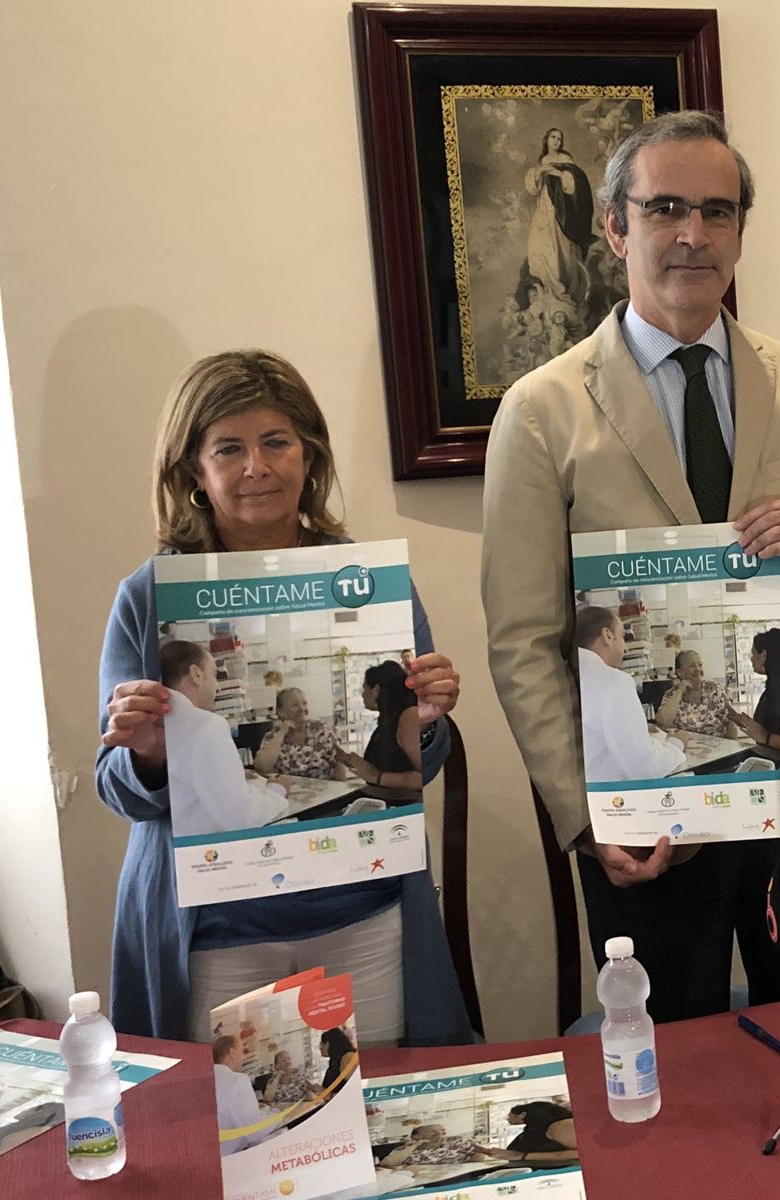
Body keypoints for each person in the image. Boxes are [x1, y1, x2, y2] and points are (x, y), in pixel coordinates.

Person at [482, 110, 780, 1022]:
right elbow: (522, 642)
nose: (692, 234)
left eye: (718, 211)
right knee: (671, 1063)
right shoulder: (542, 410)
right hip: (645, 809)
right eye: (665, 207)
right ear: (615, 226)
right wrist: (584, 815)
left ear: (741, 231)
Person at [96, 349, 471, 1047]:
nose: (256, 467)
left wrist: (424, 720)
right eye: (228, 449)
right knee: (234, 1111)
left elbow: (420, 761)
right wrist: (147, 756)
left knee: (376, 1099)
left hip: (363, 910)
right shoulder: (148, 597)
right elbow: (117, 790)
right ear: (194, 471)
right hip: (219, 927)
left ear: (309, 455)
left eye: (276, 442)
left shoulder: (368, 581)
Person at [159, 639, 289, 836]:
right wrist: (277, 791)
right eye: (214, 675)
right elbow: (243, 817)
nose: (218, 688)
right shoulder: (206, 725)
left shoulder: (163, 720)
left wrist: (231, 775)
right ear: (196, 674)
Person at [576, 606, 688, 781]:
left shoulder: (568, 674)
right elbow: (645, 767)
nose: (626, 648)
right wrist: (676, 744)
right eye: (623, 637)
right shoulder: (613, 681)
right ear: (607, 635)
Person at [524, 127, 597, 308]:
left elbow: (573, 187)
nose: (556, 141)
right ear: (546, 140)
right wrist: (542, 170)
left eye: (559, 138)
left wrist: (559, 174)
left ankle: (565, 292)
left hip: (562, 214)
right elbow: (533, 188)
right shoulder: (542, 161)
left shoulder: (566, 160)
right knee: (541, 248)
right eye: (553, 137)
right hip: (544, 211)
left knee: (563, 252)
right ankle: (549, 291)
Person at [336, 661, 422, 794]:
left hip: (406, 801)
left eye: (365, 688)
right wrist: (355, 763)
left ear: (376, 690)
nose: (362, 695)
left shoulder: (408, 717)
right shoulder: (386, 722)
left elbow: (425, 776)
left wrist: (377, 776)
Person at [728, 627, 780, 764]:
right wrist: (750, 725)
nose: (751, 659)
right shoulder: (774, 685)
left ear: (764, 655)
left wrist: (766, 737)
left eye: (753, 653)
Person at [252, 687, 344, 780]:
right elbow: (262, 767)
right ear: (281, 712)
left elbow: (340, 760)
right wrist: (282, 732)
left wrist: (339, 786)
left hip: (324, 787)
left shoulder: (320, 729)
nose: (302, 708)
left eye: (304, 703)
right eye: (295, 705)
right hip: (287, 788)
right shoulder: (272, 737)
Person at [472, 1101, 578, 1166]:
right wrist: (486, 1151)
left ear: (522, 1115)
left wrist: (522, 1156)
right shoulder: (532, 1129)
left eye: (509, 1115)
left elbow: (578, 1154)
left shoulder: (559, 1127)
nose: (507, 1118)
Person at [654, 649, 731, 737]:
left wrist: (733, 743)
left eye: (700, 665)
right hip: (685, 743)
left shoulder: (715, 689)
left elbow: (731, 721)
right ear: (679, 672)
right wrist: (680, 691)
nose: (697, 669)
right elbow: (663, 721)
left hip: (718, 743)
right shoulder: (671, 694)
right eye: (692, 666)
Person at [213, 1036, 270, 1155]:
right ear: (232, 1052)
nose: (244, 1058)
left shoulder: (204, 1079)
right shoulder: (237, 1080)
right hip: (232, 1156)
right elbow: (254, 1132)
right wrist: (276, 1114)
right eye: (242, 1051)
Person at [319, 1025, 357, 1092]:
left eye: (321, 1045)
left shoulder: (347, 1057)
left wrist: (329, 1095)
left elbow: (355, 1088)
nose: (320, 1048)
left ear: (327, 1044)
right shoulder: (334, 1061)